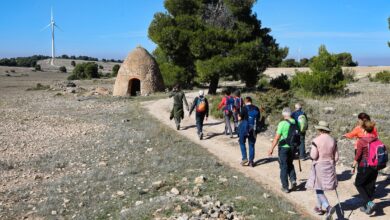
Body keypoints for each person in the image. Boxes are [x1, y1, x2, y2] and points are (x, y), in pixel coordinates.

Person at [305, 121, 339, 219]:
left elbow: (313, 156)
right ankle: (319, 207)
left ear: (319, 129)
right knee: (319, 187)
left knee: (318, 188)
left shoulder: (316, 140)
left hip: (319, 165)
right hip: (330, 165)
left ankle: (328, 207)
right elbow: (336, 157)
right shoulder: (333, 140)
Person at [268, 107, 298, 193]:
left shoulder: (282, 123)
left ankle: (285, 187)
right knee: (290, 163)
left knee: (283, 166)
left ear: (283, 114)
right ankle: (293, 180)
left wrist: (271, 148)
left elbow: (277, 138)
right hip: (293, 147)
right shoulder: (296, 122)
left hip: (283, 148)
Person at [352, 120, 379, 215]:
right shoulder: (376, 139)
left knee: (358, 184)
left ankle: (369, 203)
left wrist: (353, 165)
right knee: (370, 185)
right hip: (375, 166)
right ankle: (366, 206)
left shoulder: (362, 141)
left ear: (363, 129)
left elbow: (358, 155)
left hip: (365, 166)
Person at [237, 97, 260, 167]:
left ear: (245, 101)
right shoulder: (256, 108)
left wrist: (238, 115)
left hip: (244, 128)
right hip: (253, 129)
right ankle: (251, 161)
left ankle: (244, 158)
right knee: (251, 144)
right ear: (251, 101)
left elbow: (239, 118)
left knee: (241, 142)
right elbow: (258, 118)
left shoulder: (244, 108)